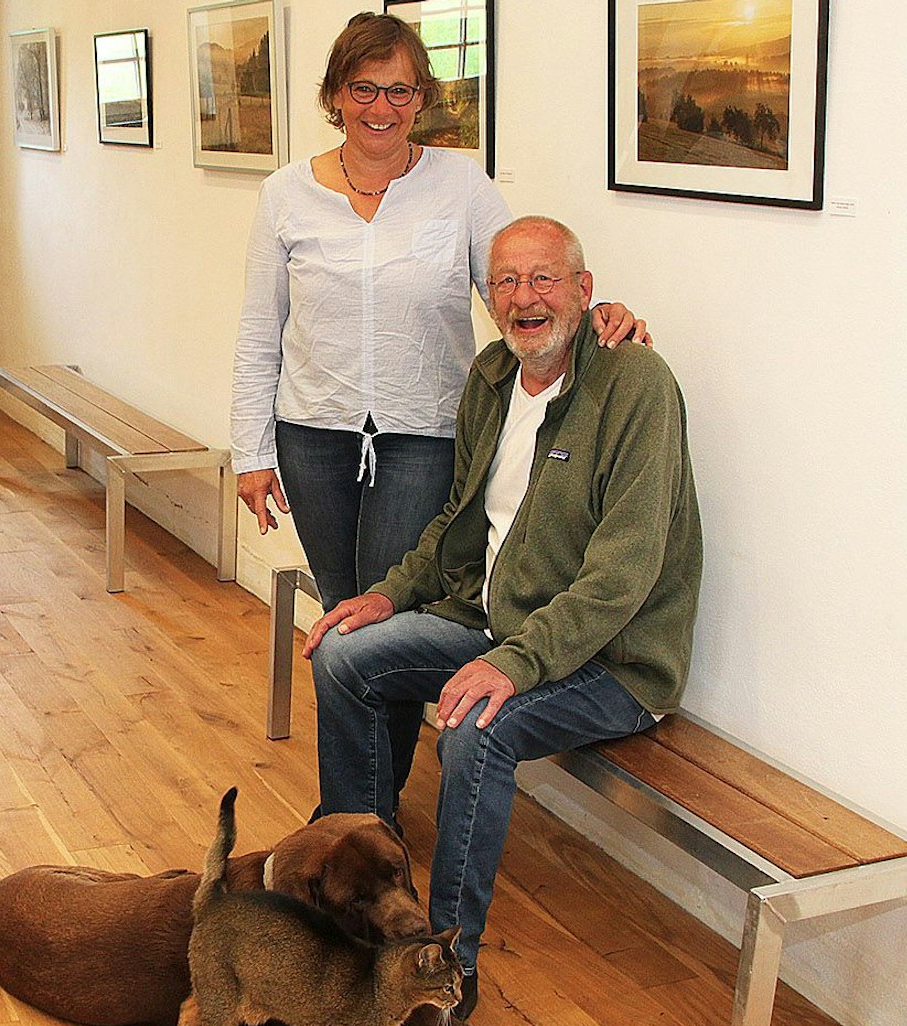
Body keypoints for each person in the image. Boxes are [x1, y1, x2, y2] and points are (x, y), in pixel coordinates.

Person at [302, 216, 702, 1026]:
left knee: (477, 729)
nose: (525, 298)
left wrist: (509, 663)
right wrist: (387, 594)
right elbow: (457, 518)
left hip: (609, 660)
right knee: (343, 656)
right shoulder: (492, 376)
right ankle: (367, 897)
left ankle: (440, 972)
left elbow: (621, 576)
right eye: (508, 282)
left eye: (546, 279)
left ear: (585, 291)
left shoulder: (638, 387)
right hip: (494, 625)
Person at [230, 13, 648, 766]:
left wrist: (599, 312)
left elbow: (520, 287)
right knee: (342, 614)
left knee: (387, 621)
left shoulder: (460, 183)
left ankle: (369, 809)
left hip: (423, 437)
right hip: (312, 435)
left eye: (400, 90)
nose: (382, 107)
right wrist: (251, 451)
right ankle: (360, 817)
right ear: (335, 94)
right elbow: (260, 330)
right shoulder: (285, 194)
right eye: (365, 88)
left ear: (420, 98)